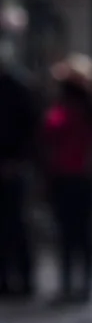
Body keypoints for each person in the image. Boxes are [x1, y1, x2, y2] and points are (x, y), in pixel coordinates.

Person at [41, 56, 92, 303]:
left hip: (71, 177)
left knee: (72, 234)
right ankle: (79, 284)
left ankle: (74, 284)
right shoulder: (88, 111)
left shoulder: (66, 111)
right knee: (79, 234)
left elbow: (49, 134)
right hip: (77, 178)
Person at [0, 59, 39, 298]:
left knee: (17, 226)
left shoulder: (18, 90)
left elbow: (31, 130)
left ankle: (22, 279)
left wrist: (17, 162)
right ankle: (10, 279)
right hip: (13, 166)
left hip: (15, 168)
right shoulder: (18, 89)